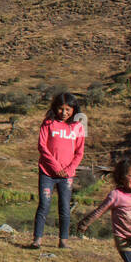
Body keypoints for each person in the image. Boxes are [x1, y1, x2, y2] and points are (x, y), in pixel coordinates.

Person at [32, 92, 86, 248]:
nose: (64, 113)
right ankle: (37, 240)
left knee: (64, 207)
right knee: (44, 205)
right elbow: (42, 146)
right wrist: (56, 167)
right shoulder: (48, 123)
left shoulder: (78, 127)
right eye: (61, 109)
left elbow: (79, 152)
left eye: (68, 109)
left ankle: (63, 240)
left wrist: (69, 169)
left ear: (74, 110)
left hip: (66, 176)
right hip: (47, 173)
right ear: (55, 108)